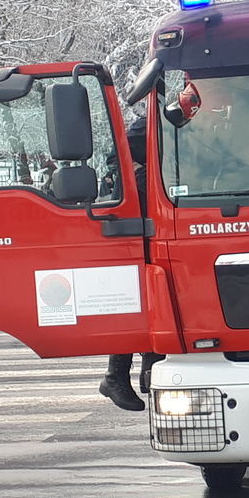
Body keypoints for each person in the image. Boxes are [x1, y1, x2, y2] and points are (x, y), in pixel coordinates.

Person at [100, 115, 167, 411]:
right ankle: (121, 375)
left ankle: (140, 371)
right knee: (138, 302)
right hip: (137, 235)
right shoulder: (154, 123)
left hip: (149, 232)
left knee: (150, 303)